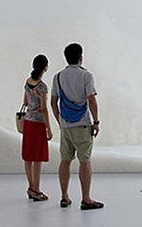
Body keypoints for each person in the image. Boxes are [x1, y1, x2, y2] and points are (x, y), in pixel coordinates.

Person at [50, 43, 103, 210]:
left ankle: (64, 197)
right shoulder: (86, 76)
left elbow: (53, 102)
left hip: (65, 125)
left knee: (65, 160)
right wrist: (96, 122)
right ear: (81, 57)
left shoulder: (58, 77)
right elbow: (92, 100)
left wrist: (60, 121)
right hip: (82, 125)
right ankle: (86, 199)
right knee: (84, 160)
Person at [22, 54, 53, 201]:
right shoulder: (42, 87)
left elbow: (25, 102)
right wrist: (49, 128)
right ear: (45, 68)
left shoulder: (27, 82)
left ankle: (31, 188)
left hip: (27, 122)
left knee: (28, 156)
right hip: (38, 124)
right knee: (37, 158)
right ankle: (37, 190)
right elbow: (44, 109)